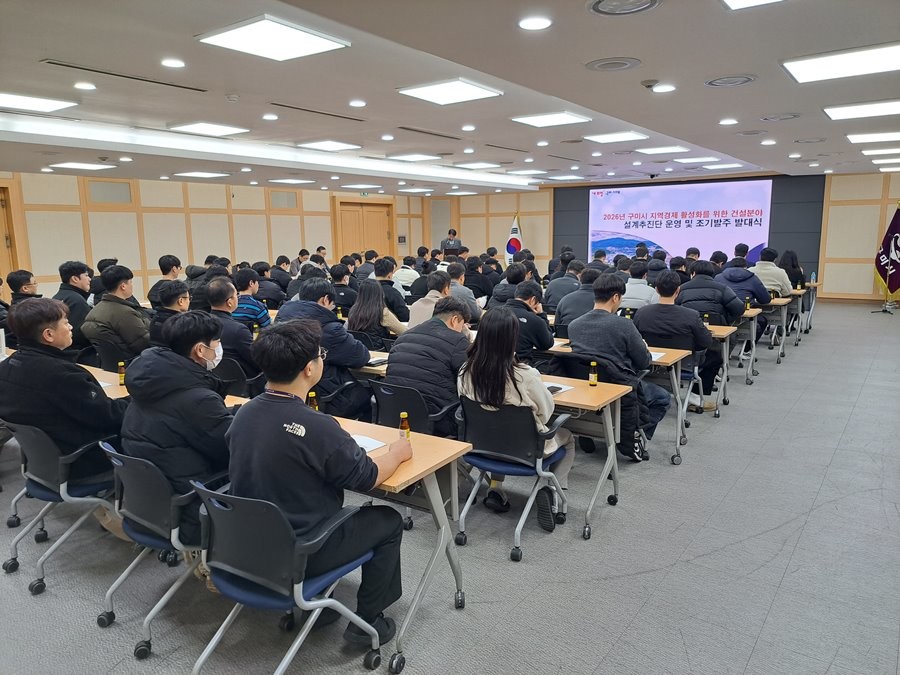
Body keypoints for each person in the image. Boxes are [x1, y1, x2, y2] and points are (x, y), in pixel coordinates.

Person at [227, 320, 410, 645]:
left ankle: (319, 608)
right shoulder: (318, 427)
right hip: (300, 550)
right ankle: (368, 622)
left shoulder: (244, 412)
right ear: (311, 368)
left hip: (244, 545)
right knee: (388, 520)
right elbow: (366, 476)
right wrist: (397, 452)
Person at [121, 311, 233, 545]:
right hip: (191, 508)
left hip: (147, 503)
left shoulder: (152, 378)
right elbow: (232, 450)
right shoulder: (197, 399)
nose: (220, 349)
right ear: (201, 350)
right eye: (217, 344)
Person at [458, 308, 575, 519]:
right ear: (513, 338)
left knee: (498, 425)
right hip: (523, 450)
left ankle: (496, 487)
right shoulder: (526, 376)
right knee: (567, 436)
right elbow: (546, 414)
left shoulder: (465, 371)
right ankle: (553, 492)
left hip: (481, 446)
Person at [0, 296, 130, 480]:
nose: (71, 328)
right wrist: (134, 401)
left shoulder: (6, 368)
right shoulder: (63, 376)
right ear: (48, 335)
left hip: (44, 460)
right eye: (66, 323)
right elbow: (110, 417)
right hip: (81, 461)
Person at [568, 275, 671, 460]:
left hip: (585, 388)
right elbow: (643, 362)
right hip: (619, 389)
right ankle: (635, 436)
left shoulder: (574, 325)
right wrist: (644, 347)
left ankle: (589, 430)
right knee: (662, 397)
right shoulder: (624, 325)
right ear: (615, 297)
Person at [276, 278, 371, 419]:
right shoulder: (329, 328)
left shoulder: (280, 319)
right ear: (325, 299)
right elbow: (361, 357)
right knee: (365, 396)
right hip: (325, 395)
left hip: (287, 391)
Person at [633, 271, 722, 412]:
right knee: (716, 356)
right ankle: (695, 397)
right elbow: (705, 342)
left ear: (656, 289)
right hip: (684, 365)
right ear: (678, 290)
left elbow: (636, 339)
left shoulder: (642, 313)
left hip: (649, 364)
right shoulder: (690, 315)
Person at [385, 297, 470, 437]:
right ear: (454, 320)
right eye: (462, 325)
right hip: (437, 418)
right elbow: (468, 380)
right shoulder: (457, 341)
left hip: (396, 413)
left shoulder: (405, 336)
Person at [81, 264, 150, 357]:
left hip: (110, 364)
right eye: (131, 283)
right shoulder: (125, 313)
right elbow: (144, 344)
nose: (132, 286)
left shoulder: (94, 311)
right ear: (123, 286)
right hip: (133, 363)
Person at [208, 278, 259, 377]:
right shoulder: (238, 330)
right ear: (229, 302)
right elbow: (256, 360)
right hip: (244, 381)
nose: (238, 298)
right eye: (236, 295)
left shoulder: (199, 323)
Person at [675, 260, 744, 325]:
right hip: (717, 326)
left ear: (693, 273)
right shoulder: (722, 288)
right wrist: (725, 320)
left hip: (688, 327)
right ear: (711, 272)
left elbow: (673, 308)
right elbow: (739, 308)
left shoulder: (681, 288)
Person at [504, 281, 554, 363]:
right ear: (533, 300)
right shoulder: (534, 320)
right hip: (520, 367)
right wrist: (541, 315)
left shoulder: (491, 313)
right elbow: (547, 344)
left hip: (490, 367)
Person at [346, 280, 406, 348]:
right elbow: (403, 331)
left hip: (359, 349)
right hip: (380, 350)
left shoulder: (353, 310)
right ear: (379, 293)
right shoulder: (382, 312)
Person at [52, 260, 93, 349]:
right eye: (86, 275)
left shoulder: (58, 296)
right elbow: (82, 333)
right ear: (75, 279)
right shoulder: (76, 300)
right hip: (78, 352)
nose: (89, 279)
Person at [149, 280, 190, 346]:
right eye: (188, 298)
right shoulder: (183, 325)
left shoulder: (155, 319)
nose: (189, 301)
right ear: (181, 301)